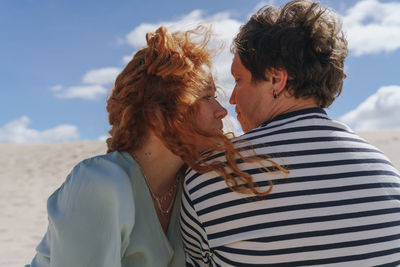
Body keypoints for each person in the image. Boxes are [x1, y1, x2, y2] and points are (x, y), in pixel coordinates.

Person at [180, 1, 400, 266]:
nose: (233, 99)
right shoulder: (388, 175)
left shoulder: (211, 177)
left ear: (276, 80)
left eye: (238, 80)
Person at [26, 26, 232, 267]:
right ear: (158, 114)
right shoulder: (100, 183)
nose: (222, 110)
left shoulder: (189, 185)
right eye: (206, 97)